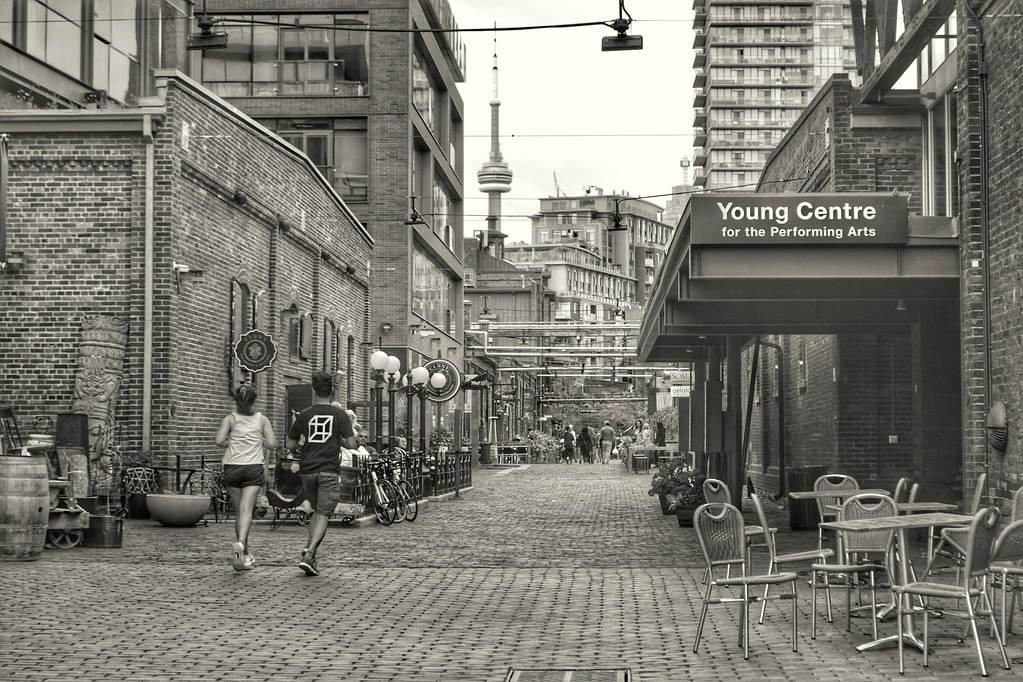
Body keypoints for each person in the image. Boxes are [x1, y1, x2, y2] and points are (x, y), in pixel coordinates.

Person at [286, 370, 356, 576]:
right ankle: (309, 554)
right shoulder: (340, 415)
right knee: (324, 514)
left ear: (313, 390)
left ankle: (310, 555)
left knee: (317, 511)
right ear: (332, 391)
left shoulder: (304, 415)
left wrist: (303, 445)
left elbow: (289, 444)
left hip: (307, 471)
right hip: (328, 470)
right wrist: (337, 440)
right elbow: (351, 443)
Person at [214, 384, 277, 571]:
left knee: (239, 512)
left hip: (232, 467)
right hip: (252, 467)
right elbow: (272, 444)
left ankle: (245, 554)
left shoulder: (230, 419)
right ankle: (241, 543)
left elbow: (218, 441)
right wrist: (260, 441)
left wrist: (229, 442)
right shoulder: (262, 420)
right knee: (247, 510)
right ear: (254, 400)